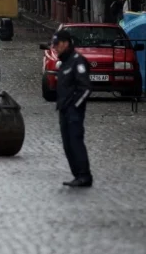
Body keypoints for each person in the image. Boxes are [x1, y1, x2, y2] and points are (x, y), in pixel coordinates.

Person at [51, 30, 93, 187]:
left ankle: (84, 175)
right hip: (63, 110)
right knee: (67, 144)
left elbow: (86, 88)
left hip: (73, 112)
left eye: (57, 44)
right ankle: (77, 175)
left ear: (66, 43)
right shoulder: (65, 62)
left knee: (75, 142)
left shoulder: (77, 61)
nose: (55, 48)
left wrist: (75, 106)